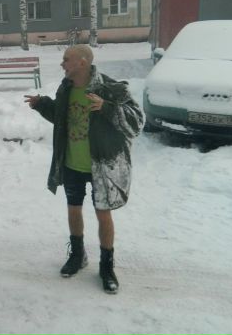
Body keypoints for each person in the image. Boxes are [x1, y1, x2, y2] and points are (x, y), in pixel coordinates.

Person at [24, 44, 143, 294]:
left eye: (66, 59)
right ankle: (78, 256)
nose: (62, 63)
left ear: (82, 62)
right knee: (73, 210)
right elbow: (62, 117)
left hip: (101, 165)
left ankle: (107, 267)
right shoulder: (66, 87)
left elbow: (136, 123)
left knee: (103, 214)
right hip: (71, 163)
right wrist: (42, 104)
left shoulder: (110, 88)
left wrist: (107, 107)